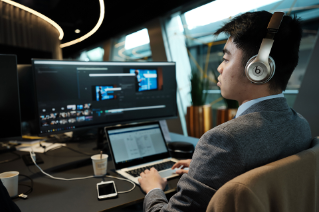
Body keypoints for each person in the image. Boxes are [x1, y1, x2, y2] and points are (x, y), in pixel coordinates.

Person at [138, 11, 312, 212]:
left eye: (226, 58)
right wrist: (203, 167)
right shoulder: (301, 125)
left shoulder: (222, 141)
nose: (220, 68)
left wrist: (153, 189)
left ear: (258, 68)